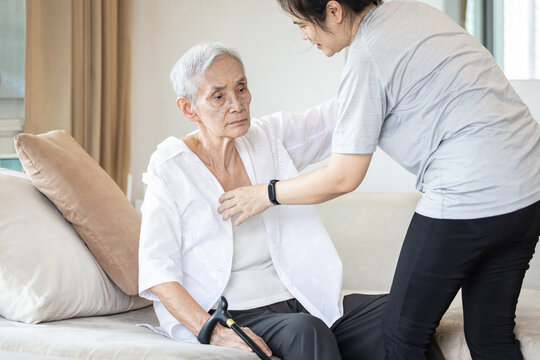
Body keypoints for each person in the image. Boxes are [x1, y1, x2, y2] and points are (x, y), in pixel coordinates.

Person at [217, 1, 540, 359]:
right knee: (489, 333)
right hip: (528, 188)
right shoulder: (414, 14)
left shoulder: (368, 55)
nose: (305, 36)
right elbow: (342, 115)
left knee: (401, 335)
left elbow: (343, 178)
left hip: (468, 195)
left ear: (334, 11)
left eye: (302, 24)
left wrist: (267, 193)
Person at [138, 42, 392, 360]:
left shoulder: (265, 137)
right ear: (189, 109)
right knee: (307, 331)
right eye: (219, 96)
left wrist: (391, 70)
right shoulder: (170, 165)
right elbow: (157, 271)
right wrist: (210, 330)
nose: (237, 104)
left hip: (298, 298)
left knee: (399, 312)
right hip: (234, 313)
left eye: (241, 88)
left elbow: (332, 119)